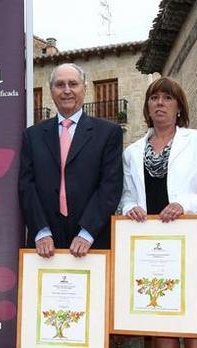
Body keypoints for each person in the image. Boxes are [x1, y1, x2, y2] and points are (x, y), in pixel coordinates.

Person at [119, 77, 197, 348]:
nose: (160, 103)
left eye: (167, 98)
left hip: (192, 239)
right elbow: (127, 194)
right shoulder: (131, 152)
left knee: (194, 319)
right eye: (154, 98)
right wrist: (131, 207)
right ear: (147, 107)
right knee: (161, 316)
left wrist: (184, 205)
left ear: (179, 106)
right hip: (150, 243)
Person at [19, 63, 123, 258]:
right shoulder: (32, 136)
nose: (67, 90)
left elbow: (111, 185)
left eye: (73, 84)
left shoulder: (108, 133)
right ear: (51, 91)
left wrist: (87, 232)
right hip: (44, 242)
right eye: (60, 84)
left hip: (93, 239)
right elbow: (26, 186)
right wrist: (41, 231)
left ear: (84, 89)